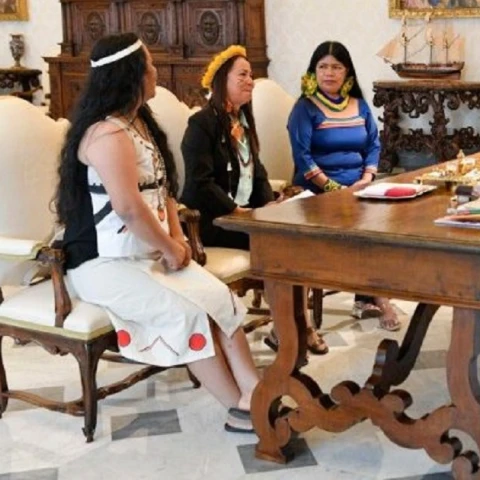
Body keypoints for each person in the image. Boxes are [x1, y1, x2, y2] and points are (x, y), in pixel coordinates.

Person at [57, 33, 262, 433]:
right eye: (149, 65)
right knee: (186, 313)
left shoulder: (138, 125)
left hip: (149, 252)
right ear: (131, 74)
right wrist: (169, 246)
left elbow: (164, 190)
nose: (155, 71)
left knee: (219, 297)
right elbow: (129, 209)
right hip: (103, 263)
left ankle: (256, 392)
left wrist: (177, 238)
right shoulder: (106, 134)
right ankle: (238, 408)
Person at [180, 45, 329, 356]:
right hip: (212, 221)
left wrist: (268, 205)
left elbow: (257, 173)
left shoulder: (243, 123)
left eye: (251, 74)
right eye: (243, 75)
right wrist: (236, 210)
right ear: (223, 80)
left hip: (245, 216)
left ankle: (289, 327)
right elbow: (200, 183)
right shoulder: (201, 124)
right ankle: (293, 329)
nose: (250, 81)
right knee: (280, 245)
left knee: (295, 238)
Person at [287, 40, 402, 331]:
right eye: (322, 66)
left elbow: (374, 145)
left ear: (347, 71)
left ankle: (366, 296)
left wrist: (366, 179)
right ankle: (379, 298)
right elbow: (302, 157)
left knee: (384, 224)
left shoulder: (360, 105)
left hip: (359, 187)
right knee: (361, 227)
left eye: (336, 66)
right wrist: (334, 190)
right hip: (317, 192)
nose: (329, 73)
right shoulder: (304, 108)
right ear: (313, 72)